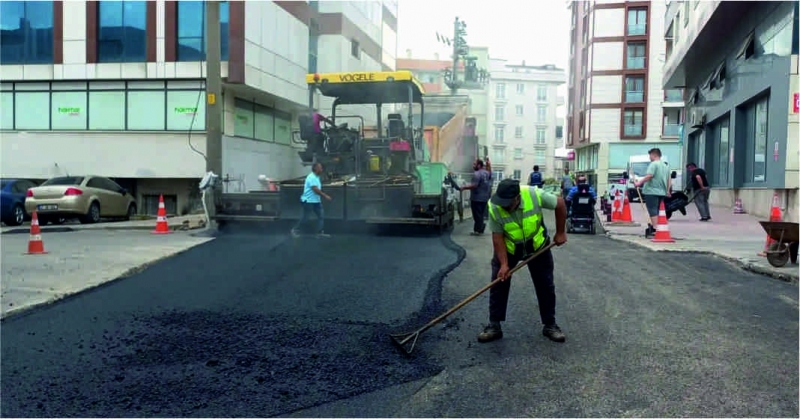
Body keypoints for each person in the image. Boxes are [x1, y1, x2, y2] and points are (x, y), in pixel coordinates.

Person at [477, 178, 569, 344]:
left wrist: (561, 232)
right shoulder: (494, 206)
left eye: (507, 203)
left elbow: (560, 204)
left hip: (537, 246)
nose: (503, 206)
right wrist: (504, 264)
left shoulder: (534, 194)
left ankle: (550, 325)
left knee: (545, 284)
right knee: (499, 282)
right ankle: (494, 325)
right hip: (510, 247)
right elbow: (497, 236)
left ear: (517, 198)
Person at [633, 148, 671, 238]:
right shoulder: (666, 166)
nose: (649, 157)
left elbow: (649, 176)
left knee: (652, 209)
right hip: (662, 191)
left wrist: (639, 183)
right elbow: (669, 179)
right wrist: (668, 190)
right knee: (658, 210)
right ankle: (660, 227)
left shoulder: (653, 164)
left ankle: (655, 229)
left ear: (654, 155)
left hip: (651, 191)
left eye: (650, 155)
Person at [449, 159, 493, 235]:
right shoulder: (486, 173)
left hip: (477, 198)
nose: (473, 166)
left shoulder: (477, 174)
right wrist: (489, 165)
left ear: (479, 165)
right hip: (485, 198)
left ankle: (478, 230)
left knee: (477, 215)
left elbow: (474, 185)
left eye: (474, 164)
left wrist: (464, 187)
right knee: (481, 214)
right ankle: (480, 228)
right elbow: (490, 173)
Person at [291, 162, 332, 238]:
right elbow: (315, 189)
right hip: (308, 201)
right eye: (320, 168)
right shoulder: (311, 177)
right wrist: (325, 196)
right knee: (305, 217)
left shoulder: (317, 177)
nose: (322, 169)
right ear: (316, 168)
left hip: (316, 201)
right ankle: (295, 230)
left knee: (321, 216)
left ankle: (319, 232)